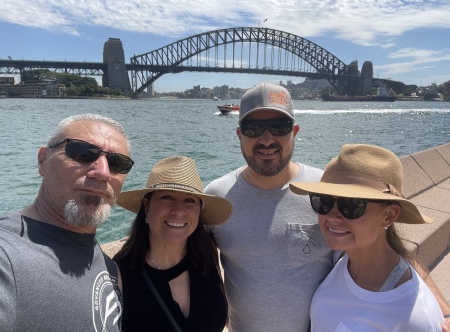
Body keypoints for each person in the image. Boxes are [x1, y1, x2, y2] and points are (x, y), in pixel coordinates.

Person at [205, 82, 450, 332]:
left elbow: (391, 248)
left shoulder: (325, 192)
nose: (266, 139)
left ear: (295, 132)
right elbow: (193, 261)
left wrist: (444, 312)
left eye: (279, 127)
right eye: (253, 128)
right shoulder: (216, 196)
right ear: (239, 134)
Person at [0, 113, 134, 331]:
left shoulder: (110, 269)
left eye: (117, 163)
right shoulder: (6, 254)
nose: (102, 173)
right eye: (82, 153)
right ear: (43, 160)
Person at [289, 143, 444, 331]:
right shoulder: (343, 260)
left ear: (388, 216)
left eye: (351, 205)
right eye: (324, 201)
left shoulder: (413, 317)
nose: (332, 216)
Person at [113, 156, 233, 332]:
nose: (178, 210)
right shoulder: (118, 275)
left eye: (190, 200)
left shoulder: (206, 256)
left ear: (199, 211)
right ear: (147, 207)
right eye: (167, 197)